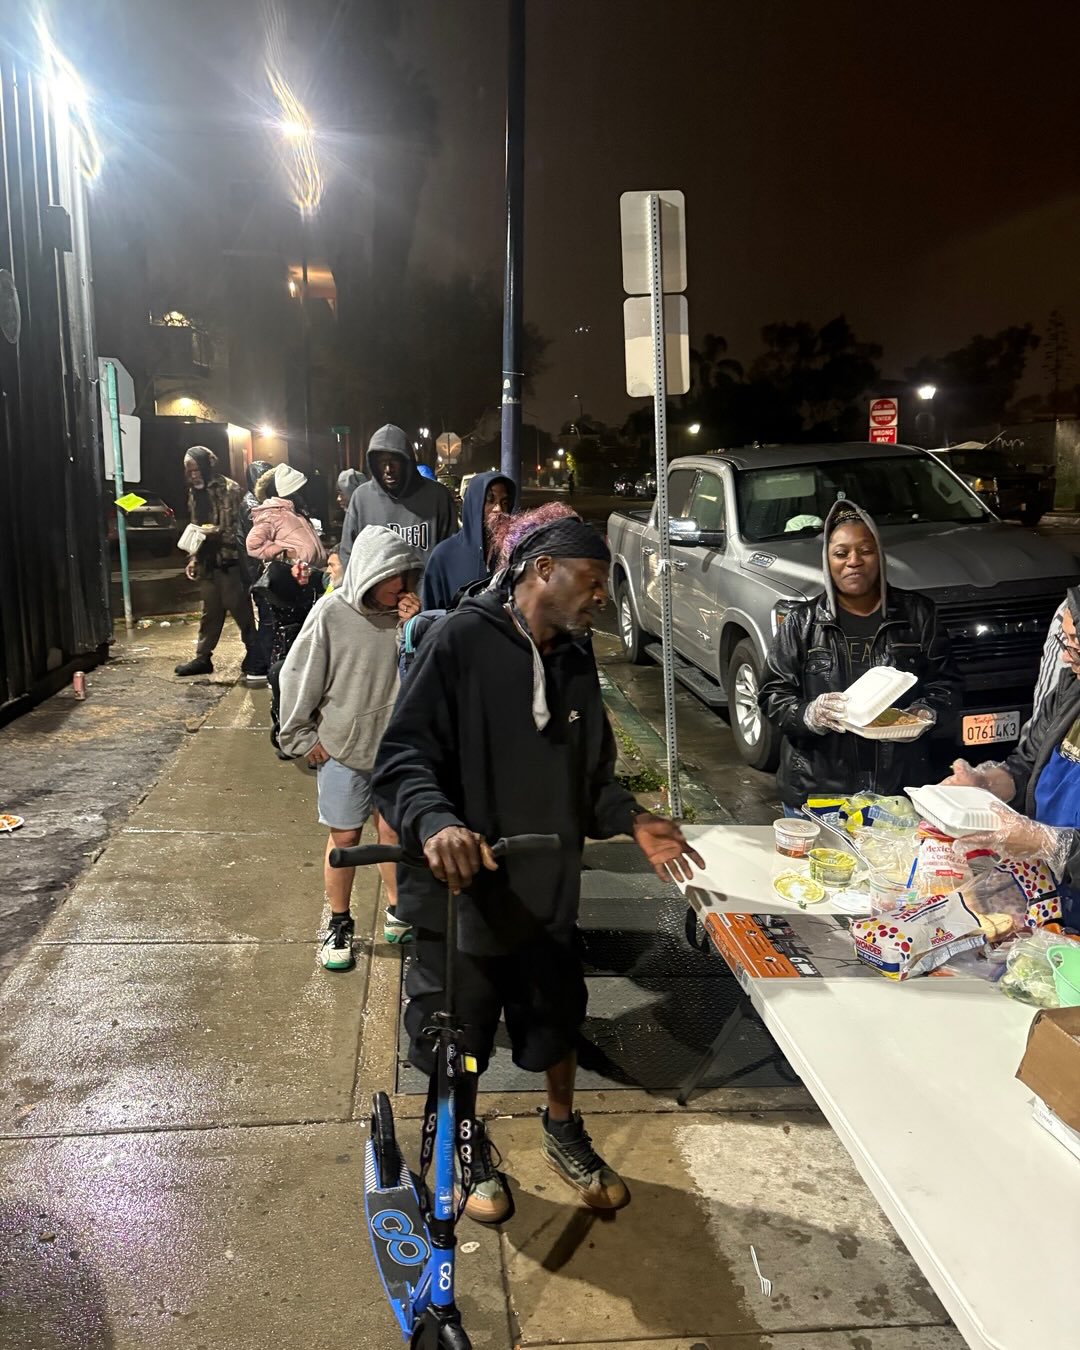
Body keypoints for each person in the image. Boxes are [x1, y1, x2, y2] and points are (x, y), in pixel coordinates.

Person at [373, 505, 702, 1222]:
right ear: (541, 570)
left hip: (545, 897)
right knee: (455, 1035)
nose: (602, 595)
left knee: (557, 1018)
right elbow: (399, 762)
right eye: (591, 578)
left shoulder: (577, 661)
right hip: (458, 899)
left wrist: (633, 821)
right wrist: (438, 822)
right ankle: (464, 1143)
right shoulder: (459, 641)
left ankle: (562, 1128)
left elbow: (592, 785)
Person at [279, 526, 423, 965]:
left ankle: (399, 914)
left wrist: (411, 628)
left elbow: (420, 674)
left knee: (393, 831)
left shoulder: (405, 616)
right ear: (368, 572)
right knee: (345, 836)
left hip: (394, 749)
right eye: (390, 576)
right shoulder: (331, 614)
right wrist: (300, 737)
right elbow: (296, 675)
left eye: (404, 576)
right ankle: (338, 923)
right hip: (343, 748)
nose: (398, 585)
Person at [759, 499, 961, 811]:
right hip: (817, 794)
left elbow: (947, 685)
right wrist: (808, 714)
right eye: (841, 553)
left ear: (879, 555)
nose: (854, 561)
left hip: (898, 792)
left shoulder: (919, 614)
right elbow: (772, 694)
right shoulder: (802, 621)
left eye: (865, 551)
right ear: (828, 560)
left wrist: (925, 713)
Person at [942, 587, 1080, 930]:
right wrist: (984, 783)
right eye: (1066, 642)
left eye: (1076, 644)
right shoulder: (1070, 688)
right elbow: (1026, 762)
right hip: (1051, 894)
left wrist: (1046, 841)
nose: (1065, 657)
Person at [246, 464, 330, 755]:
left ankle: (296, 720)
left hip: (307, 587)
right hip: (287, 593)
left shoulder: (293, 511)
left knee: (303, 654)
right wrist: (284, 553)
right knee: (287, 656)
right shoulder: (273, 512)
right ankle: (283, 725)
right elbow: (253, 544)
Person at [175, 445, 258, 678]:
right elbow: (194, 526)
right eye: (189, 472)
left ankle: (255, 652)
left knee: (240, 609)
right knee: (210, 612)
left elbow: (237, 529)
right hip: (207, 562)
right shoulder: (193, 492)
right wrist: (193, 557)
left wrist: (214, 532)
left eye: (196, 471)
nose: (193, 476)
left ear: (206, 467)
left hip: (230, 561)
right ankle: (203, 657)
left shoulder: (229, 489)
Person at [339, 424, 457, 572]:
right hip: (377, 594)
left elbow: (452, 553)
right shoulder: (362, 499)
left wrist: (433, 591)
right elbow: (348, 554)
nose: (388, 469)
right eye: (382, 463)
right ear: (374, 465)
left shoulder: (437, 496)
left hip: (426, 593)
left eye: (393, 462)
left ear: (406, 462)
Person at [421, 472, 515, 611]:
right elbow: (429, 615)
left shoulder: (513, 553)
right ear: (475, 504)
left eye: (504, 502)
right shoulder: (444, 556)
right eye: (490, 500)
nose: (499, 509)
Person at [236, 459, 273, 687]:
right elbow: (258, 543)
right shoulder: (253, 506)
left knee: (268, 619)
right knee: (269, 619)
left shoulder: (257, 502)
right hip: (258, 572)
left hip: (256, 572)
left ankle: (254, 661)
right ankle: (258, 665)